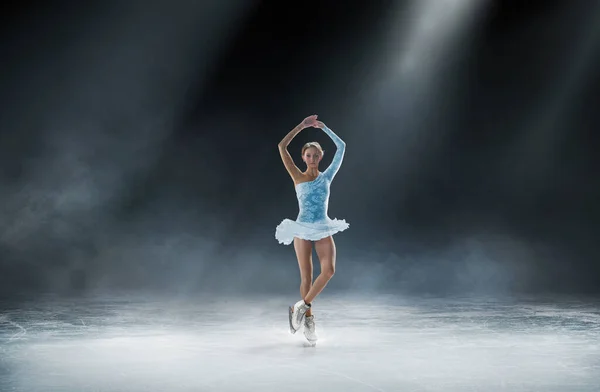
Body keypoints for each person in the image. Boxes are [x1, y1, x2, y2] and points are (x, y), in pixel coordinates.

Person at [275, 114, 349, 345]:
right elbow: (281, 145)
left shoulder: (327, 176)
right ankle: (308, 319)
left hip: (322, 225)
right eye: (309, 155)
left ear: (321, 157)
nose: (313, 158)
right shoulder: (297, 175)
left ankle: (301, 306)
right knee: (306, 276)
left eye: (316, 155)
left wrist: (324, 128)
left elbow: (342, 146)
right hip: (302, 228)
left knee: (328, 271)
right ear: (303, 157)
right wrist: (302, 126)